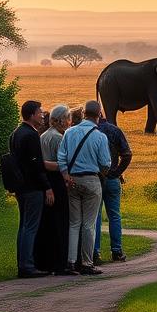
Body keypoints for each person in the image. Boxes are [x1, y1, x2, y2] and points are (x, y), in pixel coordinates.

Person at [57, 100, 113, 275]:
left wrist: (66, 174)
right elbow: (105, 163)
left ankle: (71, 262)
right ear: (99, 115)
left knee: (74, 223)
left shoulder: (69, 132)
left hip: (72, 180)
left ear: (83, 113)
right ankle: (87, 263)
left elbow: (61, 156)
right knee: (89, 225)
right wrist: (101, 173)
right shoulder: (100, 136)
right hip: (91, 180)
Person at [10, 100, 54, 278]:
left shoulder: (16, 133)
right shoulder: (32, 135)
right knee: (30, 226)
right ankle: (27, 265)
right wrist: (48, 188)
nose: (42, 115)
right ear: (31, 115)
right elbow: (36, 166)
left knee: (24, 226)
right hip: (33, 187)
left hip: (20, 186)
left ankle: (22, 263)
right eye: (39, 112)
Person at [38, 104, 74, 274]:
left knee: (49, 222)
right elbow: (62, 163)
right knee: (60, 222)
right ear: (61, 120)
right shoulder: (59, 138)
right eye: (68, 118)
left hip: (46, 181)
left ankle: (46, 260)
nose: (69, 122)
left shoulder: (43, 135)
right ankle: (60, 262)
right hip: (56, 182)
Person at [94, 116, 133, 263]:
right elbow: (127, 154)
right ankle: (116, 251)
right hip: (112, 179)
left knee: (95, 216)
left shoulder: (90, 130)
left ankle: (95, 252)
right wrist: (116, 172)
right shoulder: (114, 130)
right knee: (115, 216)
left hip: (95, 178)